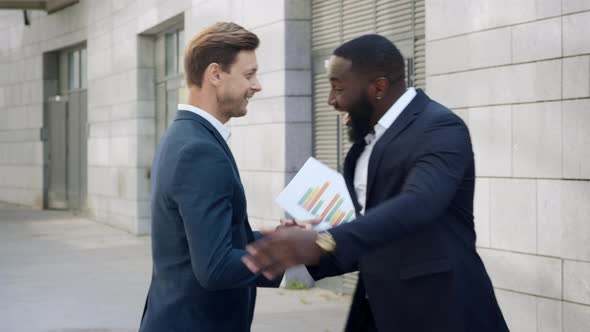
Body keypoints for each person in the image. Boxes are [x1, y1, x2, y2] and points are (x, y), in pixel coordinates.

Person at [242, 34, 509, 332]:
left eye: (338, 89)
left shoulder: (439, 127)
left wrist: (323, 242)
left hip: (444, 313)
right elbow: (373, 234)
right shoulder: (365, 146)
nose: (331, 101)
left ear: (378, 87)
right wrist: (298, 250)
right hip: (380, 311)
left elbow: (419, 203)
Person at [139, 22, 280, 332]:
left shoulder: (187, 136)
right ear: (215, 74)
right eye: (249, 74)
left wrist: (282, 238)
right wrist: (287, 253)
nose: (257, 85)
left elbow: (217, 239)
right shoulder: (198, 150)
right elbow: (215, 267)